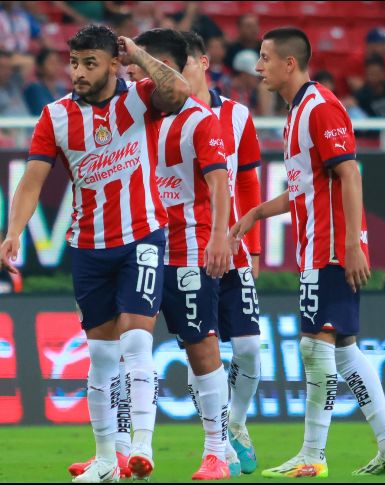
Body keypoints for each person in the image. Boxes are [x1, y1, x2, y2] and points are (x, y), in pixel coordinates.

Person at [0, 24, 191, 483]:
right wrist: (13, 232)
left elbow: (180, 91)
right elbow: (32, 180)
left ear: (112, 63)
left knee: (138, 342)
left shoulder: (140, 98)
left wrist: (138, 55)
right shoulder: (55, 116)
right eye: (74, 63)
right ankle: (108, 458)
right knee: (102, 357)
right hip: (88, 246)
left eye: (90, 63)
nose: (79, 73)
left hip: (142, 236)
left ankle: (141, 446)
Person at [232, 27, 385, 478]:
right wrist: (255, 213)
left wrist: (352, 244)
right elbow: (303, 189)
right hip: (320, 245)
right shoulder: (298, 113)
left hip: (332, 248)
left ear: (289, 63)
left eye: (265, 57)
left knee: (315, 349)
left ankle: (313, 455)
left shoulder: (320, 107)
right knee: (346, 350)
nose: (259, 67)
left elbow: (350, 174)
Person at [134, 28, 231, 480]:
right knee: (126, 345)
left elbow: (218, 183)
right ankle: (125, 450)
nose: (135, 71)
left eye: (144, 64)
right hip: (139, 245)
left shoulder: (199, 119)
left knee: (200, 347)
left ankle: (217, 450)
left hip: (187, 248)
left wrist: (218, 236)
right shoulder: (135, 111)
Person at [182, 30, 264, 478]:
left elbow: (249, 181)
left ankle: (236, 424)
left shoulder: (236, 116)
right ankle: (216, 442)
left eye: (184, 64)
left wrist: (250, 241)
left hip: (231, 247)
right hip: (188, 250)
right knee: (203, 347)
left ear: (202, 63)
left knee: (249, 347)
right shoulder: (167, 118)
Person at [0, 49, 31, 117]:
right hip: (8, 126)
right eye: (2, 67)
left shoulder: (14, 81)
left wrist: (11, 60)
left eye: (9, 67)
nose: (7, 71)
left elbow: (29, 62)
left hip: (31, 126)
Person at [24, 49, 70, 115]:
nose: (56, 66)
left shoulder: (60, 88)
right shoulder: (34, 88)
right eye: (51, 63)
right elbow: (45, 112)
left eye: (58, 62)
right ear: (40, 67)